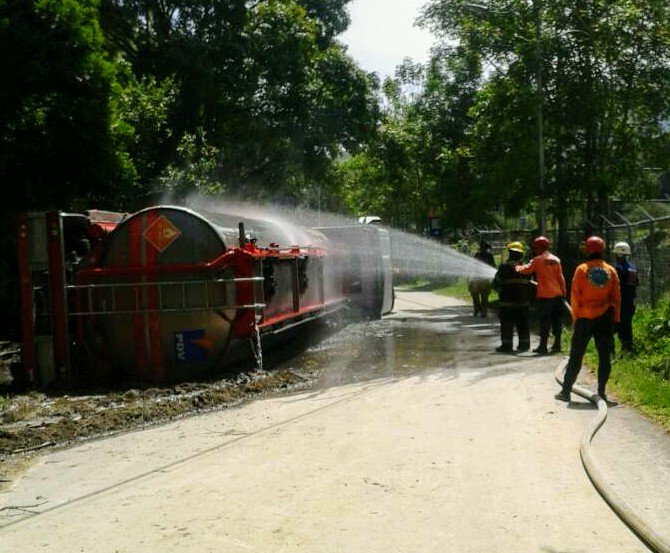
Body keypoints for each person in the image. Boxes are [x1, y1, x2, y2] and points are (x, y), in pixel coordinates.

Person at [555, 236, 621, 403]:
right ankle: (601, 392)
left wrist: (575, 317)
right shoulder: (611, 271)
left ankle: (566, 391)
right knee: (604, 355)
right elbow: (616, 297)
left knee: (576, 354)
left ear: (587, 250)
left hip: (584, 317)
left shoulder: (581, 270)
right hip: (604, 317)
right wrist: (615, 318)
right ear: (602, 250)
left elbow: (575, 296)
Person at [515, 235, 567, 354]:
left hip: (546, 296)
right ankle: (557, 345)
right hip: (558, 294)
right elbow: (561, 278)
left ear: (537, 248)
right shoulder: (556, 259)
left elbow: (527, 269)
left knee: (545, 321)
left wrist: (516, 267)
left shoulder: (538, 260)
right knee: (556, 320)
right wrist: (564, 292)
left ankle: (543, 346)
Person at [492, 242, 534, 353]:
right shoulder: (526, 268)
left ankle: (506, 346)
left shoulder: (504, 268)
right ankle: (524, 345)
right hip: (523, 303)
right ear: (521, 255)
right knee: (523, 324)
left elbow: (495, 284)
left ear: (510, 253)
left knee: (507, 324)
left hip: (507, 304)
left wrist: (501, 291)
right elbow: (531, 285)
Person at [613, 241, 639, 353]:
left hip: (620, 302)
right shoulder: (633, 267)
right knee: (627, 326)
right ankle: (627, 348)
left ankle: (612, 351)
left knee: (615, 326)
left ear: (618, 254)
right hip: (630, 301)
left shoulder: (618, 268)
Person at [468, 240, 496, 317]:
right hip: (478, 278)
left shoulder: (488, 256)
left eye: (485, 248)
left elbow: (493, 266)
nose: (484, 249)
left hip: (484, 279)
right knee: (476, 295)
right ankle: (478, 309)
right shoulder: (480, 255)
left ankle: (483, 311)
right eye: (483, 247)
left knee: (483, 296)